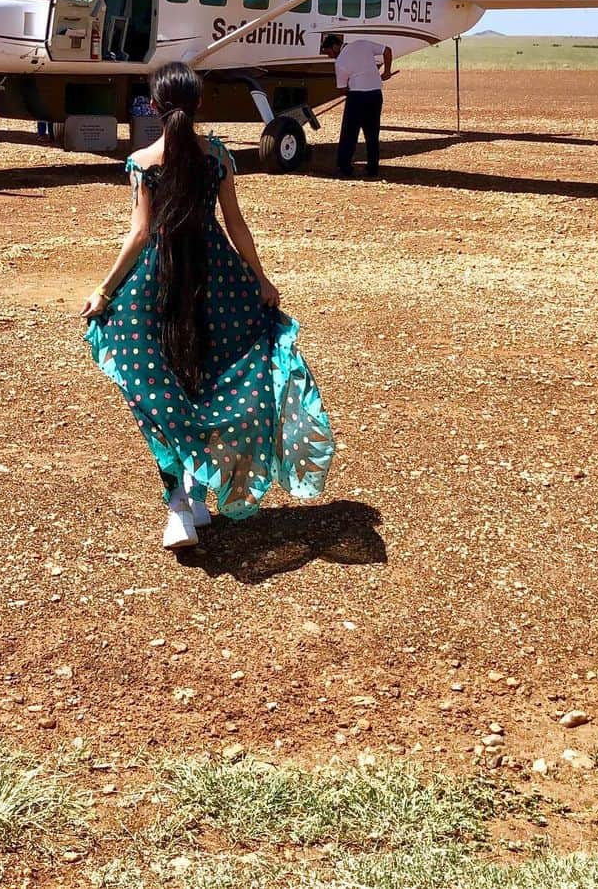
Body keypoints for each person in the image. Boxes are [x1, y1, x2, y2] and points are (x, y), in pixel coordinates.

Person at [80, 61, 335, 550]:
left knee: (161, 393)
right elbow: (236, 226)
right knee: (212, 382)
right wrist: (259, 279)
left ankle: (181, 502)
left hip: (158, 283)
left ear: (153, 107)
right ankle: (194, 495)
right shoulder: (216, 156)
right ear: (198, 106)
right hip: (219, 281)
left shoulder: (143, 161)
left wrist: (105, 291)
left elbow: (138, 234)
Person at [320, 32, 395, 178]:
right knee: (372, 134)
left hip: (357, 97)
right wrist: (387, 72)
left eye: (329, 52)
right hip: (375, 94)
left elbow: (342, 89)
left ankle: (344, 168)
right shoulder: (362, 43)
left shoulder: (340, 62)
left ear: (335, 46)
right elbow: (387, 51)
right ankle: (372, 169)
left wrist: (349, 89)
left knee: (349, 134)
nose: (330, 56)